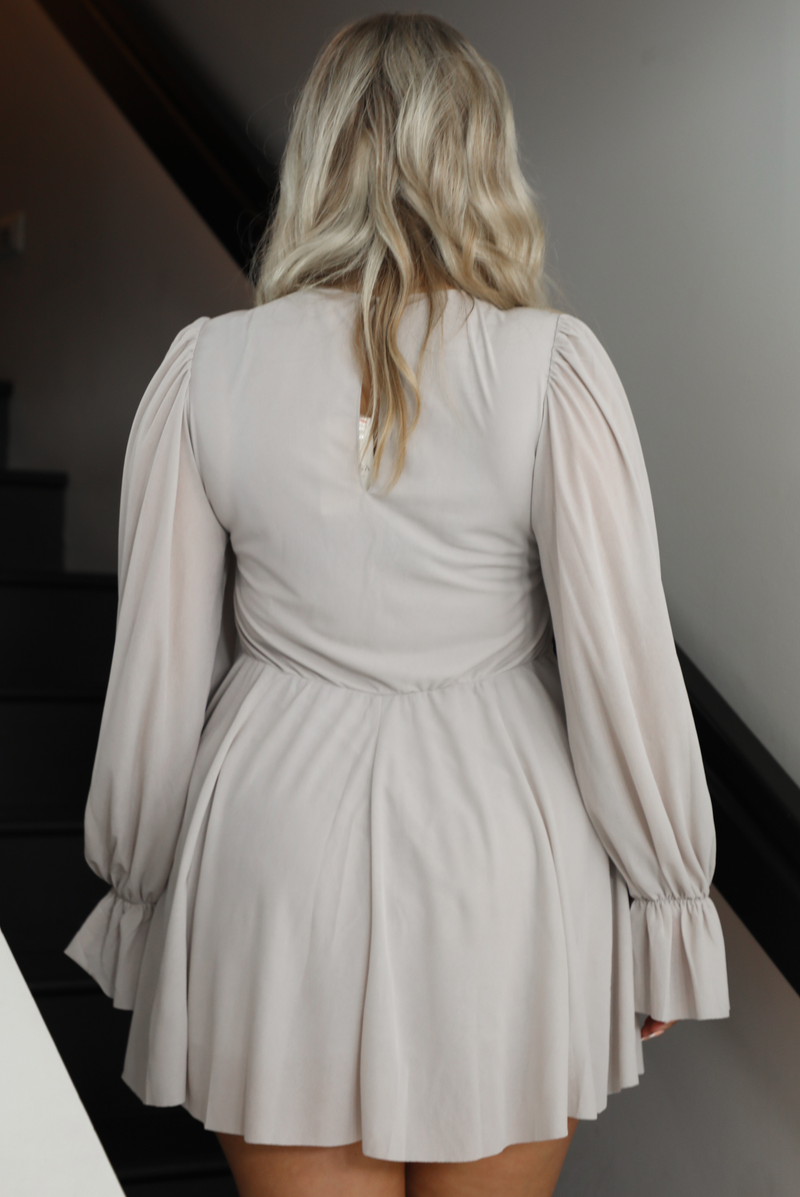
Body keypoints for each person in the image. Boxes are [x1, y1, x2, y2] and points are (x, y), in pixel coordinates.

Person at [64, 12, 730, 1197]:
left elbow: (155, 674)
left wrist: (136, 886)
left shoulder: (208, 367)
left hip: (269, 848)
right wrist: (663, 901)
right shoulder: (549, 367)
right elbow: (619, 666)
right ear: (479, 157)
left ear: (318, 154)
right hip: (501, 847)